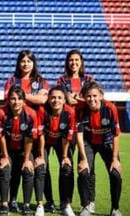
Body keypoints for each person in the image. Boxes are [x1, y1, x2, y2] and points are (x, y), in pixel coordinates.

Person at [47, 50, 94, 213]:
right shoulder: (62, 80)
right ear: (67, 62)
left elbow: (91, 99)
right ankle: (63, 202)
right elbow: (64, 99)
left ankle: (89, 200)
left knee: (86, 163)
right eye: (70, 60)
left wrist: (76, 97)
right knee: (66, 164)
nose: (73, 63)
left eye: (76, 60)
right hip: (66, 126)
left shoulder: (88, 80)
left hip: (85, 126)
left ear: (81, 62)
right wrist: (78, 97)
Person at [3, 50, 48, 212]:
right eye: (23, 61)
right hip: (13, 129)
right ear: (18, 63)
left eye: (29, 61)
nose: (26, 64)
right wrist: (31, 97)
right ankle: (13, 200)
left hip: (35, 129)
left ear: (34, 63)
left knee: (37, 167)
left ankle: (39, 203)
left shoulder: (40, 81)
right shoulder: (11, 80)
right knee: (14, 169)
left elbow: (43, 99)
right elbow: (8, 100)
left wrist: (21, 96)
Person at [76, 81, 122, 216]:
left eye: (95, 96)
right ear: (84, 97)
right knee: (84, 172)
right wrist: (83, 159)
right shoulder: (81, 109)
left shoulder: (110, 108)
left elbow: (116, 134)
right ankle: (86, 206)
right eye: (88, 96)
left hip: (107, 143)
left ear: (101, 95)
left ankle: (115, 208)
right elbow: (79, 135)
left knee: (115, 173)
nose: (92, 99)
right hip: (88, 143)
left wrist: (115, 159)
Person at [0, 85, 37, 215]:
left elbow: (29, 139)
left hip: (24, 149)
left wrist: (26, 159)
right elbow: (0, 137)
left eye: (19, 99)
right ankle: (4, 205)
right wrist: (5, 157)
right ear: (8, 100)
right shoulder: (1, 113)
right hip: (6, 148)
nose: (16, 102)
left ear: (24, 101)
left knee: (27, 170)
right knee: (5, 171)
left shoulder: (31, 114)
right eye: (13, 98)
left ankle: (26, 205)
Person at [41, 86, 76, 216]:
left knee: (67, 168)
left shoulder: (70, 112)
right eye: (53, 97)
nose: (56, 100)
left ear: (64, 100)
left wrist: (65, 156)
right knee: (42, 168)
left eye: (60, 97)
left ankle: (66, 204)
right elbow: (41, 136)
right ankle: (49, 202)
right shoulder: (42, 111)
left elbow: (67, 137)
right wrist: (40, 155)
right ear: (49, 99)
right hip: (45, 141)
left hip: (62, 141)